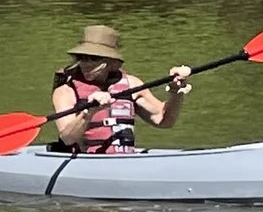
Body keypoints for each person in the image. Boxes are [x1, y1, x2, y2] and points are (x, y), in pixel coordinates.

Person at [50, 24, 188, 153]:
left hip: (125, 163)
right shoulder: (66, 91)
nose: (86, 64)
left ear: (111, 61)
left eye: (93, 58)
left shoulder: (132, 85)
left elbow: (164, 120)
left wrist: (175, 91)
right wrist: (89, 112)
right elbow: (67, 138)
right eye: (82, 57)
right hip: (86, 164)